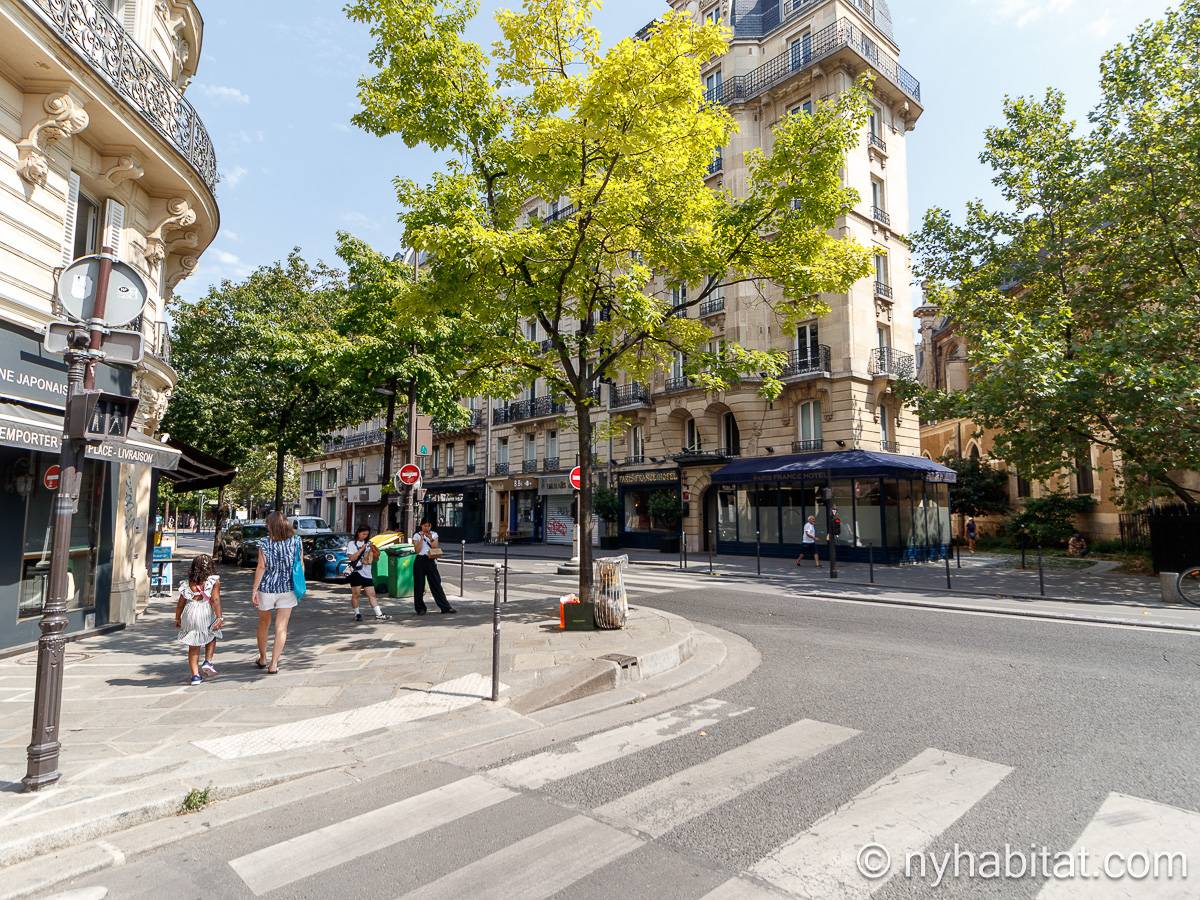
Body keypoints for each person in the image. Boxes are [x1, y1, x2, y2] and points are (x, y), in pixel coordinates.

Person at [251, 511, 300, 674]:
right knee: (281, 627)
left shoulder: (264, 542)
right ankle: (273, 664)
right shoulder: (296, 541)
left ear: (270, 526)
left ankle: (263, 658)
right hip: (288, 588)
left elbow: (261, 567)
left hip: (267, 588)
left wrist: (254, 589)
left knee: (263, 623)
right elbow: (299, 564)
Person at [174, 554, 223, 686]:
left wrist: (177, 618)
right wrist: (219, 617)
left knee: (194, 644)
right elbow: (215, 600)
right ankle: (208, 661)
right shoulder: (213, 581)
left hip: (190, 612)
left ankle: (195, 676)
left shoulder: (186, 584)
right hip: (205, 611)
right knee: (212, 634)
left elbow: (180, 604)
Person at [412, 518, 457, 615]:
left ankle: (445, 607)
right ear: (421, 525)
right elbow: (417, 550)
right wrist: (421, 538)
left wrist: (430, 538)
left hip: (430, 560)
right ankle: (420, 608)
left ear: (430, 526)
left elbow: (435, 547)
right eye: (425, 526)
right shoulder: (416, 535)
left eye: (428, 526)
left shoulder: (434, 534)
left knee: (436, 584)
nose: (426, 528)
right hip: (420, 560)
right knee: (419, 585)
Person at [345, 525, 389, 622]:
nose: (365, 536)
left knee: (372, 594)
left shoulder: (369, 543)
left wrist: (374, 550)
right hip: (356, 572)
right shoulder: (352, 544)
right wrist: (361, 549)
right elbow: (351, 558)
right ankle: (357, 614)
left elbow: (376, 558)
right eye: (363, 534)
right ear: (358, 533)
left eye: (367, 534)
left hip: (367, 573)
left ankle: (379, 614)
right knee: (356, 594)